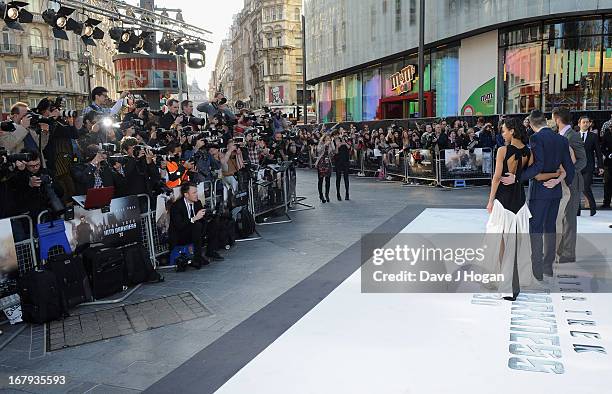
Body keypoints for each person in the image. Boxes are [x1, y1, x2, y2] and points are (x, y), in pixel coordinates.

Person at [486, 118, 562, 300]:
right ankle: (513, 282)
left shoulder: (503, 151)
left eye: (504, 131)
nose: (502, 134)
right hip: (519, 202)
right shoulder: (529, 152)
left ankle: (507, 284)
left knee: (502, 243)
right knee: (515, 243)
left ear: (512, 131)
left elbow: (497, 178)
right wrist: (556, 174)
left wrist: (490, 201)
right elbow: (537, 173)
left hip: (503, 202)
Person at [501, 110, 574, 283]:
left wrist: (518, 177)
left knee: (535, 229)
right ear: (545, 121)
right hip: (555, 191)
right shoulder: (561, 139)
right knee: (550, 227)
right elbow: (569, 167)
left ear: (532, 125)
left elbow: (538, 164)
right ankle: (548, 267)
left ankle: (537, 271)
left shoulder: (536, 139)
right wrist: (559, 181)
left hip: (539, 191)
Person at [552, 107, 585, 265]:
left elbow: (583, 160)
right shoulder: (560, 135)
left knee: (569, 218)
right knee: (561, 217)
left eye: (552, 118)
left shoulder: (573, 136)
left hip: (572, 182)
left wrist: (567, 172)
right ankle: (561, 250)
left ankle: (568, 254)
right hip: (561, 182)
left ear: (557, 119)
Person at [168, 183, 224, 271]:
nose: (196, 194)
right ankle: (197, 258)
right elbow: (179, 225)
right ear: (186, 195)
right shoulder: (177, 206)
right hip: (180, 235)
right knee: (196, 225)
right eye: (194, 193)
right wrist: (194, 218)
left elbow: (202, 220)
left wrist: (208, 216)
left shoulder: (197, 202)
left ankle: (211, 251)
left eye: (196, 192)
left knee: (214, 223)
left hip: (195, 231)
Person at [578, 116, 603, 216]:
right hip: (577, 166)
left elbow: (598, 152)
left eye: (587, 122)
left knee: (585, 187)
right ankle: (577, 211)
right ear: (579, 124)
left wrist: (600, 166)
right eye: (584, 122)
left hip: (588, 166)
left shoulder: (593, 136)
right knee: (576, 189)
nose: (586, 124)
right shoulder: (575, 135)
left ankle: (593, 208)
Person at [315, 135, 334, 203]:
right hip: (321, 162)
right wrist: (325, 145)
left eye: (329, 139)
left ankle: (327, 195)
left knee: (328, 180)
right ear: (324, 139)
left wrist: (331, 144)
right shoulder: (321, 144)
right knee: (320, 180)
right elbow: (318, 150)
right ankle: (321, 195)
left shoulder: (330, 145)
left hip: (327, 163)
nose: (328, 140)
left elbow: (333, 151)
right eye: (327, 139)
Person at [334, 135, 351, 201]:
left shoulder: (347, 142)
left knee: (346, 178)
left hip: (345, 162)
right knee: (338, 178)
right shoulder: (336, 143)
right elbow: (336, 152)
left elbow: (349, 147)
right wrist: (338, 146)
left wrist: (345, 143)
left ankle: (347, 193)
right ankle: (338, 194)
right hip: (338, 162)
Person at [601, 120, 612, 209]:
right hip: (609, 162)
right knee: (607, 183)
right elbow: (602, 147)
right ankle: (606, 202)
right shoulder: (607, 135)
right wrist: (608, 154)